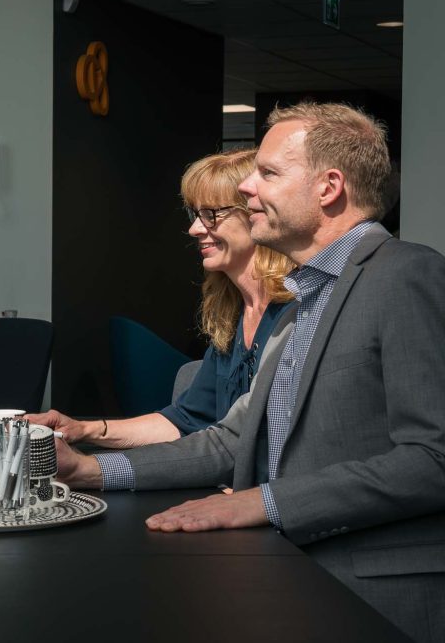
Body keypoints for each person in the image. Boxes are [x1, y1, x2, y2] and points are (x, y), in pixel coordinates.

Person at [55, 102, 445, 643]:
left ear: (329, 187)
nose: (246, 189)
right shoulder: (310, 298)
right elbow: (230, 440)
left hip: (372, 595)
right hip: (289, 576)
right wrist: (88, 472)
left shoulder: (406, 275)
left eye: (268, 173)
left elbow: (433, 460)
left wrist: (264, 501)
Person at [29, 148, 294, 448]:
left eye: (211, 215)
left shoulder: (298, 313)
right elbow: (184, 420)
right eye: (195, 214)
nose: (195, 229)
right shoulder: (234, 316)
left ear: (257, 214)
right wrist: (83, 430)